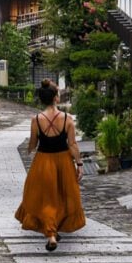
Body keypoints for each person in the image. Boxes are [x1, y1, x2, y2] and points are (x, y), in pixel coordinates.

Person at [14, 79, 86, 251]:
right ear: (56, 98)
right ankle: (54, 230)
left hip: (43, 162)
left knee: (46, 199)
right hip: (63, 162)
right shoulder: (67, 119)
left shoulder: (36, 120)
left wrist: (30, 148)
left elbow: (32, 145)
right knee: (62, 196)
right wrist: (79, 164)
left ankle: (51, 233)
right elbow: (73, 145)